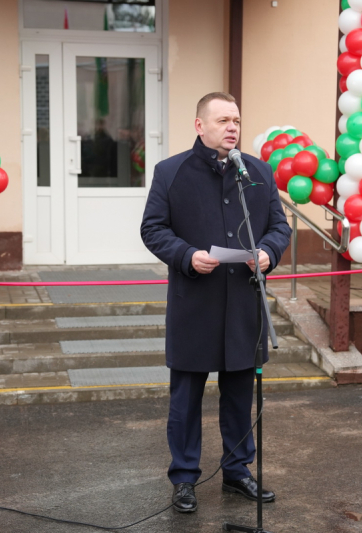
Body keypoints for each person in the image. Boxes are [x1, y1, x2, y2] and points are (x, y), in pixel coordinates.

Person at [140, 92, 291, 513]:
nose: (232, 127)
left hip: (244, 305)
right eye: (223, 119)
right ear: (199, 125)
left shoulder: (256, 171)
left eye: (237, 120)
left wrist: (268, 252)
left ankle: (238, 471)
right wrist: (186, 256)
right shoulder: (171, 172)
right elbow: (153, 229)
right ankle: (185, 478)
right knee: (186, 398)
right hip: (195, 303)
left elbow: (279, 226)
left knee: (240, 394)